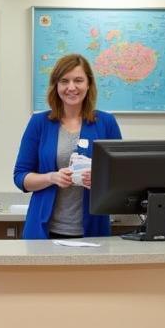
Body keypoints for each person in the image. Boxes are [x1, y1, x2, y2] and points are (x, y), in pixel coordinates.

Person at [13, 53, 121, 240]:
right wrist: (51, 177)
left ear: (88, 84)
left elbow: (120, 177)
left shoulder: (106, 123)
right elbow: (20, 177)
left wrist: (99, 181)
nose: (71, 87)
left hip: (93, 231)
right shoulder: (39, 122)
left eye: (78, 80)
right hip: (44, 231)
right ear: (56, 86)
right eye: (64, 81)